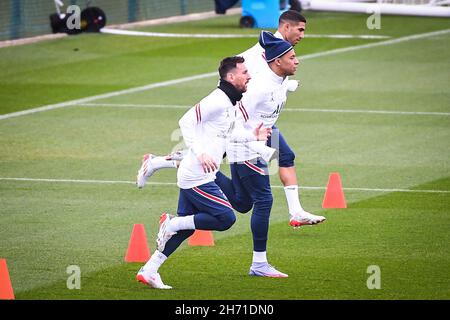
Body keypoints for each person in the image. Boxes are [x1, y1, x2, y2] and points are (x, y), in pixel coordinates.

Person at [136, 10, 326, 228]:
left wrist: (286, 86)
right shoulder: (265, 52)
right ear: (286, 27)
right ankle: (160, 164)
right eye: (300, 30)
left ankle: (295, 212)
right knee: (215, 156)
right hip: (239, 118)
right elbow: (236, 76)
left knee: (281, 156)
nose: (302, 35)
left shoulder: (280, 52)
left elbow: (271, 81)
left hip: (255, 121)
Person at [136, 56, 273, 289]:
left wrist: (254, 137)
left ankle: (149, 270)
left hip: (201, 174)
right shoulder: (217, 100)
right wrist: (200, 153)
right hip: (196, 176)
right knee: (226, 218)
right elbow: (185, 121)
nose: (249, 76)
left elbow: (228, 135)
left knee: (187, 228)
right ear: (231, 77)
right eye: (244, 72)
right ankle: (171, 223)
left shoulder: (230, 103)